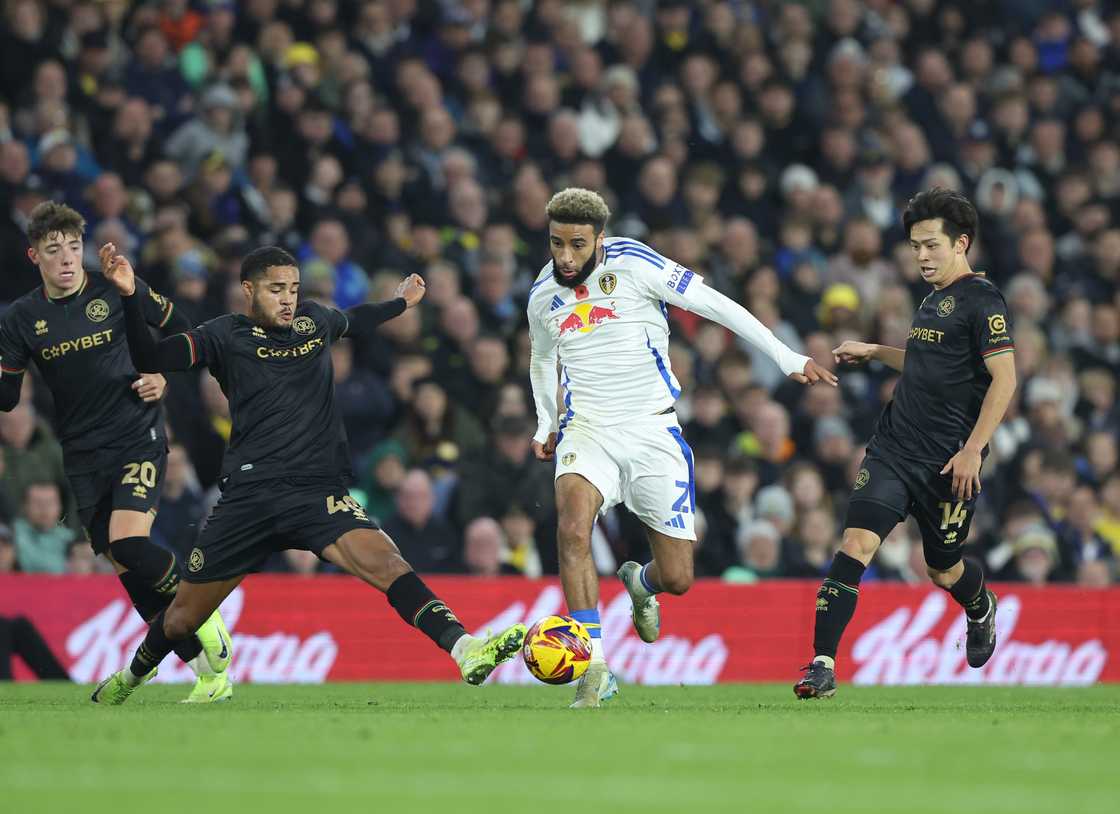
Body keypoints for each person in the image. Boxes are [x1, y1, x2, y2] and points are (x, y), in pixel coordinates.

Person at [90, 244, 525, 705]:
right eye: (276, 289)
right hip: (250, 497)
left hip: (316, 491)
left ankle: (465, 648)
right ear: (248, 290)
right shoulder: (222, 335)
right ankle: (131, 678)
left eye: (293, 289)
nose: (288, 299)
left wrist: (401, 302)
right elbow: (150, 355)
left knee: (388, 563)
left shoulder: (313, 322)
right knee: (182, 618)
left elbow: (356, 319)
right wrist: (129, 296)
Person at [527, 188, 836, 708]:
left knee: (678, 577)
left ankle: (641, 583)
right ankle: (594, 668)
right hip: (587, 430)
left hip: (652, 430)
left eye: (577, 245)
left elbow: (715, 305)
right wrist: (547, 422)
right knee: (573, 528)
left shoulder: (635, 262)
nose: (565, 257)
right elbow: (541, 360)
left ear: (600, 239)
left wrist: (785, 356)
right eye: (556, 243)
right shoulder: (542, 294)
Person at [0, 202, 232, 702]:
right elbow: (7, 397)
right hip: (82, 455)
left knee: (129, 545)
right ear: (34, 255)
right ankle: (208, 675)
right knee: (134, 581)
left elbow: (184, 329)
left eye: (73, 247)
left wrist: (161, 373)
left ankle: (205, 611)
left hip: (135, 434)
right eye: (53, 250)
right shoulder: (20, 318)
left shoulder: (114, 285)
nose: (66, 258)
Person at [795, 189, 1016, 699]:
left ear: (961, 243)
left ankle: (980, 605)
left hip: (948, 464)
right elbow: (925, 365)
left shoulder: (983, 300)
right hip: (893, 450)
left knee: (942, 569)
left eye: (932, 245)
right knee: (856, 544)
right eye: (916, 246)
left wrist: (972, 450)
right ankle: (821, 665)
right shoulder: (932, 299)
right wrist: (876, 351)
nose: (922, 256)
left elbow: (1004, 379)